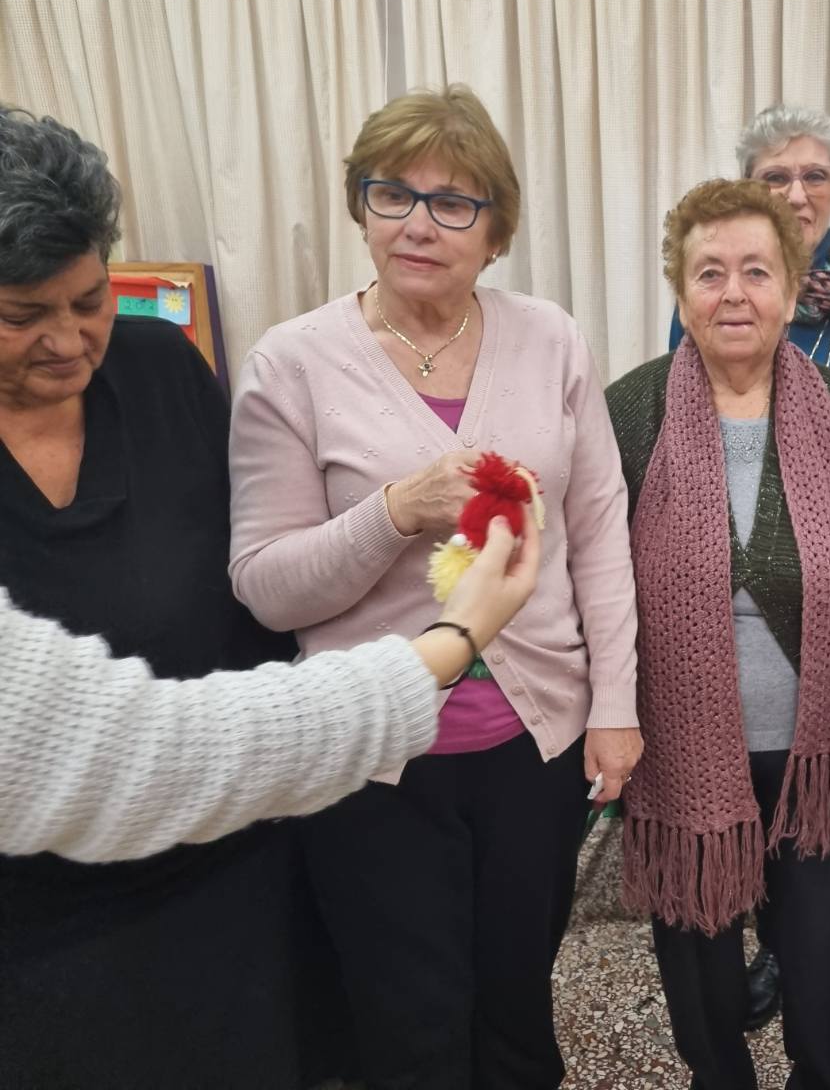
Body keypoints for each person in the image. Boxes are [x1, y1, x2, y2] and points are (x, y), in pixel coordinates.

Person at [228, 84, 641, 1090]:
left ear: (495, 232)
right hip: (372, 758)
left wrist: (616, 706)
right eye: (393, 194)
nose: (419, 223)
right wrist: (393, 513)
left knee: (517, 1004)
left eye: (453, 203)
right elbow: (265, 588)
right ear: (360, 206)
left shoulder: (551, 339)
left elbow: (597, 534)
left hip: (534, 747)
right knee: (407, 1023)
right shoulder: (292, 364)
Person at [0, 104, 330, 1088]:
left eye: (89, 299)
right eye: (22, 317)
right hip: (38, 913)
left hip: (222, 854)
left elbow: (250, 590)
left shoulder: (157, 368)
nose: (69, 340)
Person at [607, 178, 830, 1090]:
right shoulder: (630, 414)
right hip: (680, 758)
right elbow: (592, 578)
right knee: (702, 990)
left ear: (791, 286)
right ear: (679, 289)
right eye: (709, 273)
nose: (733, 293)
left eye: (757, 272)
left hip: (825, 766)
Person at [670, 102, 830, 1032]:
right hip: (742, 575)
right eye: (775, 177)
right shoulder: (709, 300)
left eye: (813, 175)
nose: (796, 191)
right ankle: (776, 951)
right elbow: (688, 434)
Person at [1, 512, 540, 862]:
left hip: (244, 840)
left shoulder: (161, 382)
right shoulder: (290, 375)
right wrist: (449, 640)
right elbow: (143, 754)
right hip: (338, 784)